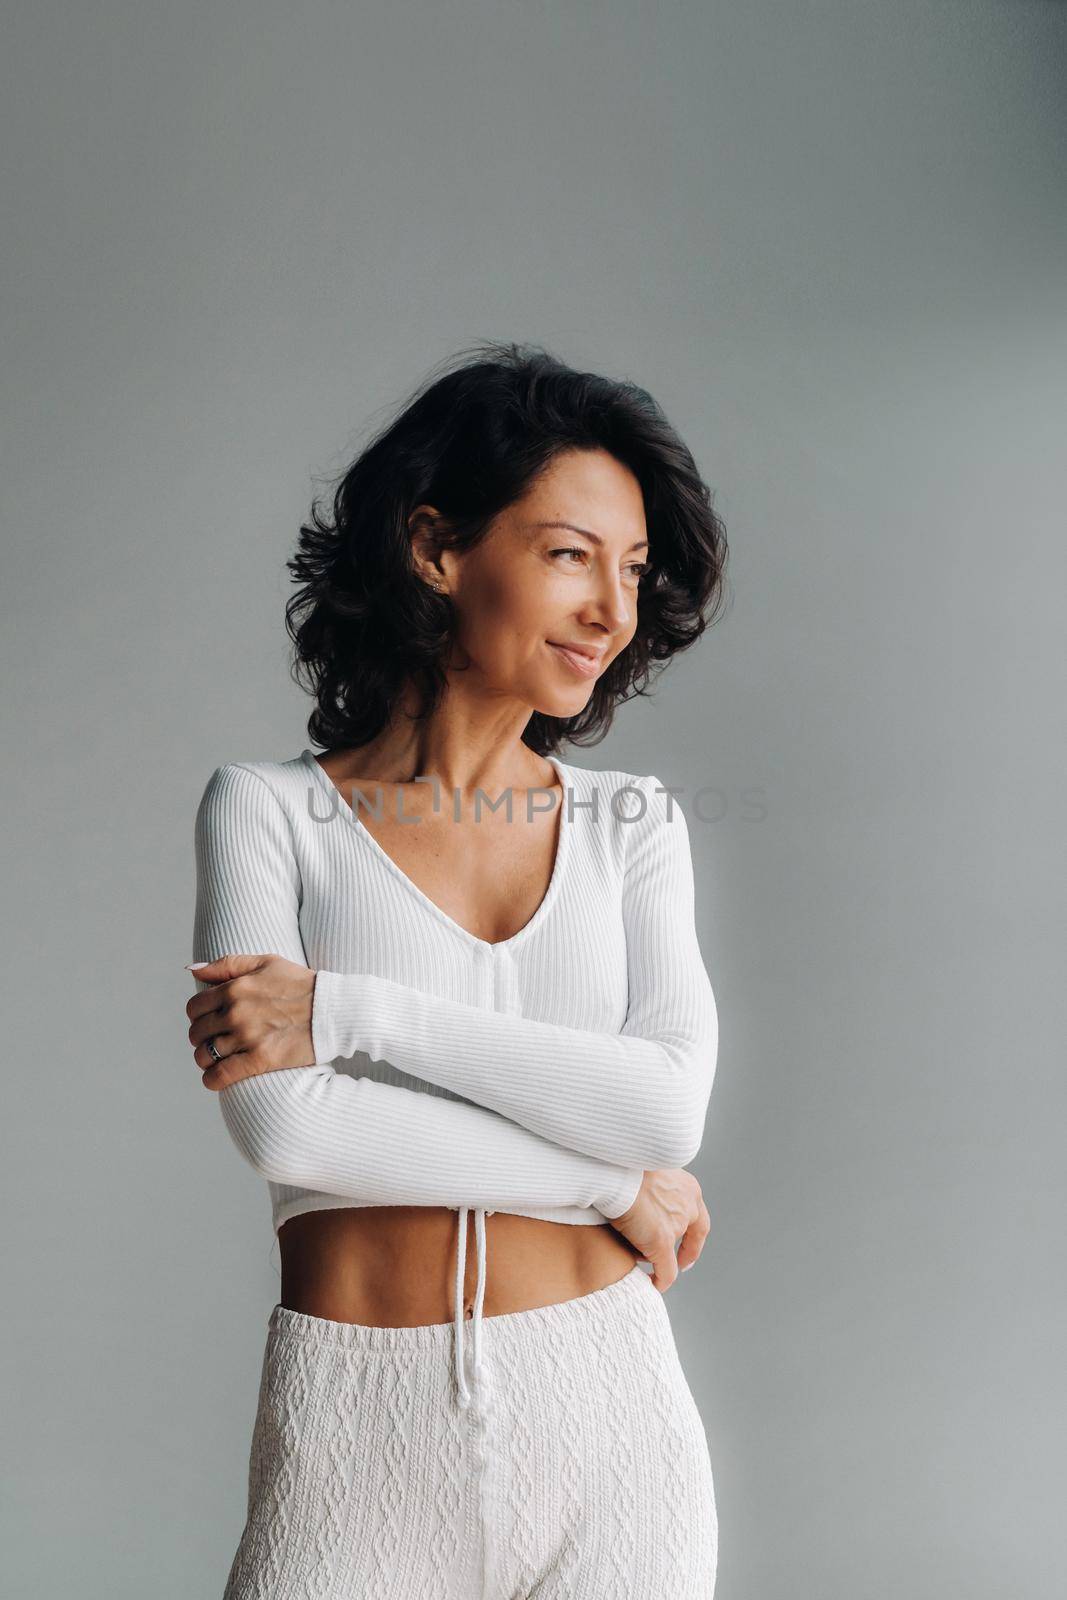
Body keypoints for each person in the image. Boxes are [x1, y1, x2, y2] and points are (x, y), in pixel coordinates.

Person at [187, 340, 729, 1598]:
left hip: (610, 1422)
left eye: (633, 569)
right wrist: (611, 1184)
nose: (613, 607)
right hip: (352, 1437)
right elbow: (288, 1129)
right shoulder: (265, 812)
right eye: (567, 554)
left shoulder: (634, 824)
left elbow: (663, 1110)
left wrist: (347, 1011)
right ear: (437, 549)